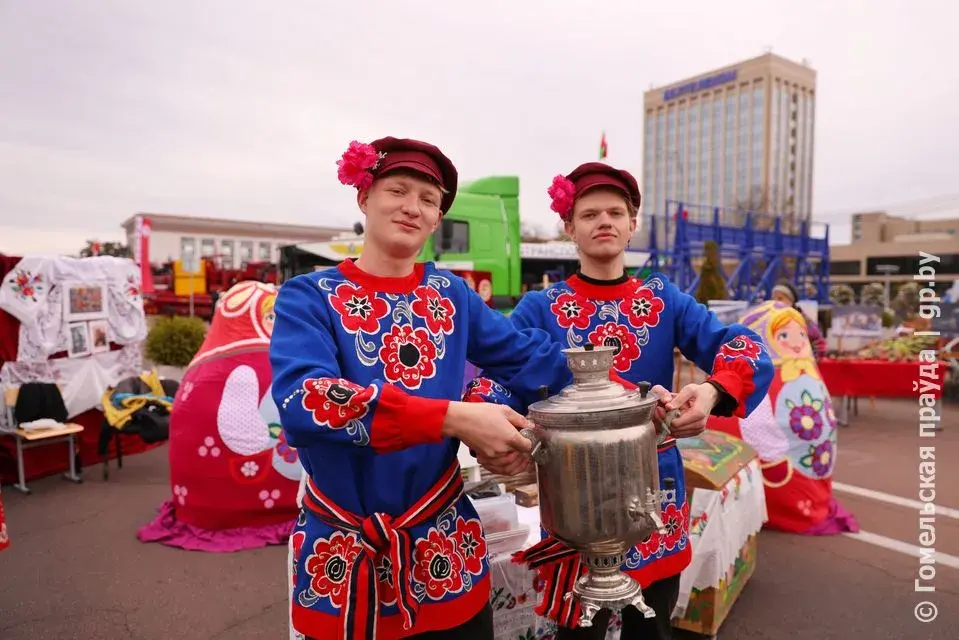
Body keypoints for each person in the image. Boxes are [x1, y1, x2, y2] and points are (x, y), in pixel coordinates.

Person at [270, 136, 580, 640]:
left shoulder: (450, 294)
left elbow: (530, 361)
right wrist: (453, 417)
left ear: (438, 220)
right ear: (363, 197)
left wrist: (628, 397)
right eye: (398, 190)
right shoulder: (309, 296)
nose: (412, 207)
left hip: (446, 548)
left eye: (429, 200)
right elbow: (306, 402)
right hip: (344, 554)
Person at [463, 162, 774, 640]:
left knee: (651, 627)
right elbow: (497, 380)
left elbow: (746, 348)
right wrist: (491, 426)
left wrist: (712, 390)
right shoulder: (539, 308)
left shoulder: (665, 299)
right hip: (571, 494)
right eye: (589, 214)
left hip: (653, 489)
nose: (603, 221)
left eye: (615, 212)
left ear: (632, 225)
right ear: (570, 228)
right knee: (575, 630)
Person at [771, 279, 827, 358]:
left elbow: (820, 345)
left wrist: (809, 361)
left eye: (780, 298)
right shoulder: (770, 320)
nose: (775, 302)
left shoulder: (804, 321)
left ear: (791, 301)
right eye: (773, 299)